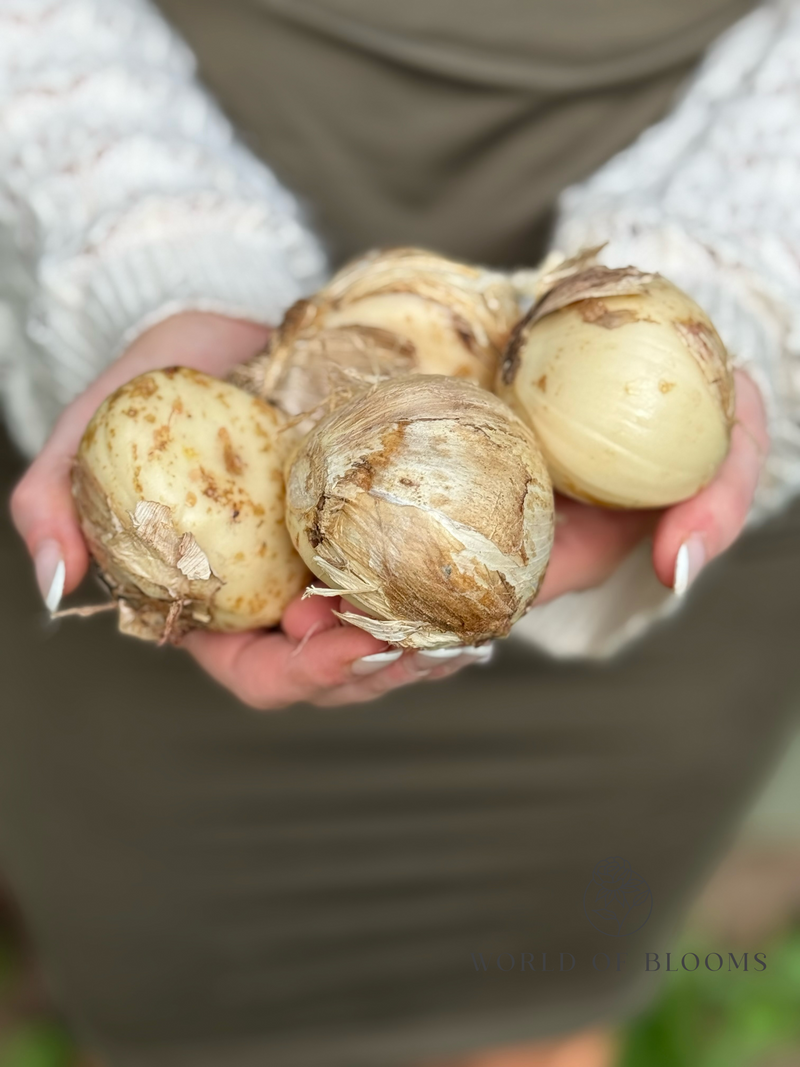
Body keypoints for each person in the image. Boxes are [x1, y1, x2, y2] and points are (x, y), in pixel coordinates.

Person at [0, 1, 797, 1064]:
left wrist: (743, 277)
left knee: (528, 1014)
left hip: (702, 256)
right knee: (194, 1020)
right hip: (159, 173)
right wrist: (129, 234)